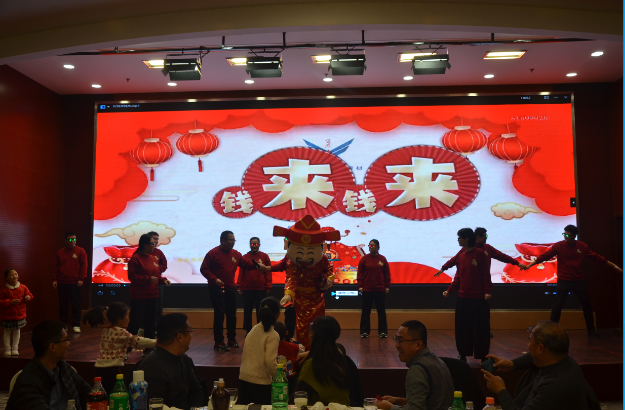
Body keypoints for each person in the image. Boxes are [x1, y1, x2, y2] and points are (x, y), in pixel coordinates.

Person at [523, 224, 622, 338]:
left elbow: (596, 257)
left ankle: (591, 330)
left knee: (586, 304)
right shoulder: (559, 245)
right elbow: (545, 256)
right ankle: (551, 331)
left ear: (574, 236)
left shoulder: (582, 246)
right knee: (558, 305)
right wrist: (529, 265)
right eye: (564, 234)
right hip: (564, 279)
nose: (565, 237)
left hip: (579, 280)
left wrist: (613, 266)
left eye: (568, 235)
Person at [481, 321, 600, 410]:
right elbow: (531, 358)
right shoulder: (565, 361)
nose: (528, 346)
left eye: (530, 341)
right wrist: (512, 364)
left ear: (540, 348)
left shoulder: (554, 387)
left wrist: (501, 390)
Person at [271, 215, 340, 348]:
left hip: (316, 298)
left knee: (319, 325)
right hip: (298, 297)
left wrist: (328, 282)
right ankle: (302, 349)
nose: (304, 257)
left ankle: (319, 348)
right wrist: (288, 294)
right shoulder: (292, 261)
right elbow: (291, 278)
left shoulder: (323, 259)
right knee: (300, 326)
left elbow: (330, 273)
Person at [6, 320, 91, 410]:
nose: (69, 343)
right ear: (53, 347)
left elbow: (87, 392)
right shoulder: (27, 383)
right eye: (66, 340)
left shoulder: (63, 367)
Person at [435, 228, 491, 362]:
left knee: (481, 328)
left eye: (460, 237)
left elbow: (486, 274)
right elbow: (458, 277)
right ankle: (463, 353)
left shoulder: (480, 254)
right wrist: (449, 290)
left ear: (467, 239)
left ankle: (483, 356)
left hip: (478, 298)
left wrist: (487, 291)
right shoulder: (460, 257)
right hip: (463, 298)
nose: (458, 240)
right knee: (462, 328)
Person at [200, 230, 261, 351]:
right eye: (231, 240)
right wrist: (214, 279)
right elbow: (204, 269)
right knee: (219, 314)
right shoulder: (213, 253)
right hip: (216, 288)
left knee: (232, 314)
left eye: (234, 240)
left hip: (230, 288)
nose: (233, 242)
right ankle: (219, 342)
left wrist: (257, 265)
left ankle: (231, 339)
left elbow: (246, 264)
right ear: (223, 241)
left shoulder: (236, 254)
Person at [82, 302, 157, 393]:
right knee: (117, 394)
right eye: (127, 315)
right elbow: (136, 341)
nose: (128, 318)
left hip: (99, 370)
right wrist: (157, 342)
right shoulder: (119, 332)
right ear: (119, 319)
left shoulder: (106, 330)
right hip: (113, 370)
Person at [378, 320, 454, 410]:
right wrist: (398, 401)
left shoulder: (418, 369)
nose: (397, 345)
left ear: (418, 344)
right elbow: (430, 402)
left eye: (401, 340)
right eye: (396, 339)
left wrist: (389, 408)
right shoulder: (439, 362)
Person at [138, 313, 204, 410]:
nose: (191, 336)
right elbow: (155, 407)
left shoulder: (184, 359)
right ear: (180, 337)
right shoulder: (153, 369)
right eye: (190, 331)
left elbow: (196, 391)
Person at [474, 228, 527, 338]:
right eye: (484, 236)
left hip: (484, 285)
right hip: (472, 285)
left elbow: (502, 256)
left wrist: (517, 263)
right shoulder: (469, 249)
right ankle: (473, 331)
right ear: (478, 237)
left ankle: (485, 330)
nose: (486, 238)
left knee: (485, 309)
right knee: (472, 309)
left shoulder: (487, 248)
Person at [127, 234, 171, 357]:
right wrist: (147, 279)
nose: (154, 245)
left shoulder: (153, 258)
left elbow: (156, 275)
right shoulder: (135, 259)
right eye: (152, 243)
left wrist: (163, 280)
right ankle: (126, 350)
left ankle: (149, 350)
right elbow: (132, 277)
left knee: (151, 324)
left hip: (153, 294)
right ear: (145, 245)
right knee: (135, 323)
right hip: (139, 296)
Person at [290, 316, 350, 405]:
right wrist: (310, 353)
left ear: (312, 333)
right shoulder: (339, 356)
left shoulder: (312, 364)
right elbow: (340, 347)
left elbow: (295, 399)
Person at [238, 296, 281, 405]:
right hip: (260, 382)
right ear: (278, 314)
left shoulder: (253, 329)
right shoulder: (273, 335)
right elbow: (270, 361)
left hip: (244, 378)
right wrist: (279, 378)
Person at [53, 231, 88, 333]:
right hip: (62, 282)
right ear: (65, 240)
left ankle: (76, 325)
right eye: (70, 239)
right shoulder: (60, 252)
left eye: (74, 239)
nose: (72, 241)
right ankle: (63, 325)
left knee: (76, 304)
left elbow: (84, 266)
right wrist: (54, 279)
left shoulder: (81, 251)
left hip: (75, 283)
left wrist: (81, 279)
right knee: (62, 305)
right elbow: (56, 266)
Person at [237, 237, 272, 334]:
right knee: (247, 311)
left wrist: (268, 285)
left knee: (261, 311)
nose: (254, 246)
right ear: (250, 245)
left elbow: (268, 272)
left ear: (259, 245)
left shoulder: (265, 256)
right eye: (252, 244)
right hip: (247, 289)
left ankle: (260, 330)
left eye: (256, 244)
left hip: (261, 288)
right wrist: (239, 285)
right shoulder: (245, 257)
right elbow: (241, 273)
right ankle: (248, 331)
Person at [357, 239, 391, 338]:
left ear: (378, 247)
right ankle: (364, 331)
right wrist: (360, 286)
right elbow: (360, 273)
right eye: (370, 246)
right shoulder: (364, 259)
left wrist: (387, 286)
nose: (371, 248)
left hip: (380, 289)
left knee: (381, 311)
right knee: (366, 311)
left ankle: (383, 332)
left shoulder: (383, 259)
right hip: (367, 289)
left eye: (373, 246)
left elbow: (387, 274)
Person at [0, 269, 33, 356]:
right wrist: (10, 302)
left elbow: (30, 295)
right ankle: (7, 349)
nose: (14, 276)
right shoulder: (4, 290)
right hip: (7, 316)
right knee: (7, 332)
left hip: (19, 315)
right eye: (11, 275)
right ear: (7, 278)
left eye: (16, 274)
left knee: (17, 332)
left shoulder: (23, 287)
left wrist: (28, 298)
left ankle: (15, 348)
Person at [275, 321, 304, 394]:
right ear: (286, 333)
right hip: (291, 378)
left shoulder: (271, 348)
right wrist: (295, 342)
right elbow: (302, 348)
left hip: (276, 378)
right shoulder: (293, 346)